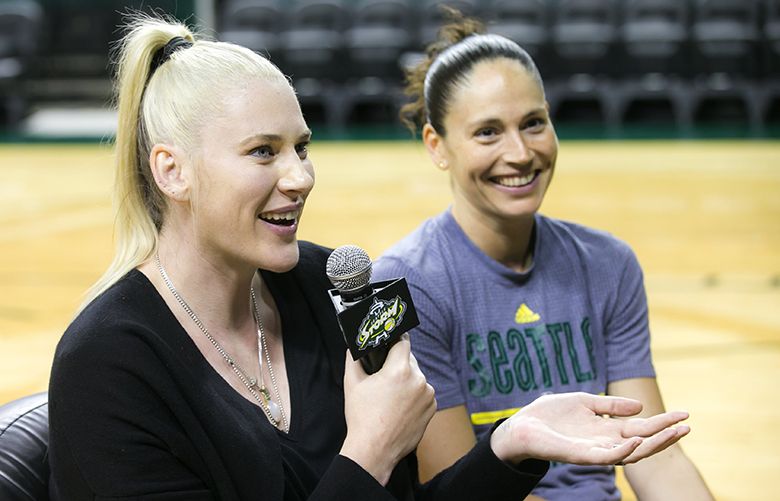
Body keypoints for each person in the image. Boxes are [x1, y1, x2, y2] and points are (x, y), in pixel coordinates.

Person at [48, 13, 693, 501]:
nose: (300, 176)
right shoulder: (106, 364)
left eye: (302, 147)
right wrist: (369, 452)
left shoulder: (347, 290)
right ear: (173, 171)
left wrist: (509, 444)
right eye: (263, 152)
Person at [372, 10, 715, 501]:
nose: (519, 153)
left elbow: (655, 456)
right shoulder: (406, 284)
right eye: (487, 132)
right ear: (437, 146)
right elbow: (456, 484)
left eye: (533, 123)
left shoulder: (607, 263)